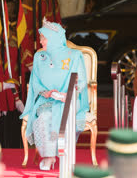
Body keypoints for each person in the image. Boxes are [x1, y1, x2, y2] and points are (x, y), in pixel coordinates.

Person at [19, 18, 89, 170]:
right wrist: (46, 92)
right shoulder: (39, 57)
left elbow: (82, 81)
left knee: (62, 116)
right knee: (45, 116)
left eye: (44, 38)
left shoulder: (74, 55)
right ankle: (49, 156)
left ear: (54, 38)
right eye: (41, 38)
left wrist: (69, 93)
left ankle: (61, 153)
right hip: (47, 100)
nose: (41, 42)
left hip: (69, 99)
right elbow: (35, 82)